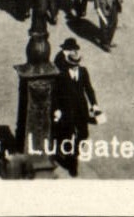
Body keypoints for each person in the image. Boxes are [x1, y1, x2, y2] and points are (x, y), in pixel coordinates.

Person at [52, 39, 101, 177]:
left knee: (84, 134)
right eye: (72, 64)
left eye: (76, 64)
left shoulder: (83, 72)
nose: (75, 66)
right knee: (68, 135)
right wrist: (57, 109)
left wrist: (94, 105)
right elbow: (55, 93)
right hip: (67, 109)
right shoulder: (62, 74)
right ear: (69, 63)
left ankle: (75, 153)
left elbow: (89, 89)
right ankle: (72, 163)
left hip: (81, 109)